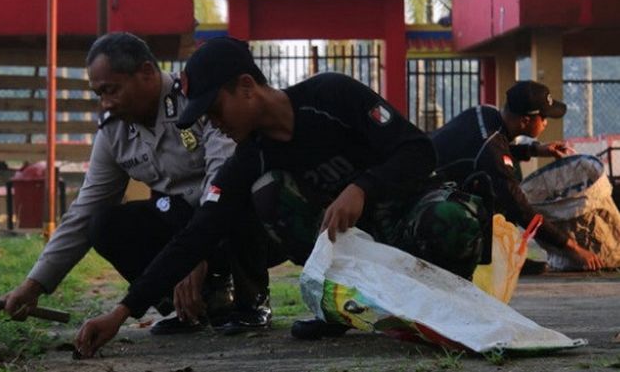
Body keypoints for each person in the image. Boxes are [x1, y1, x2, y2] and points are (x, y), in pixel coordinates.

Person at [72, 36, 485, 356]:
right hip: (358, 250)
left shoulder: (331, 95)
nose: (213, 124)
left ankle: (455, 305)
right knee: (266, 193)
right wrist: (122, 312)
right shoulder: (252, 156)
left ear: (247, 86)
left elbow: (418, 150)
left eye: (214, 111)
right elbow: (196, 235)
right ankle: (339, 307)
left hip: (407, 217)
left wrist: (361, 188)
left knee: (451, 220)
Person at [1, 32, 269, 344]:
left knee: (237, 192)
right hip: (182, 228)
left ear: (145, 72)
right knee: (103, 224)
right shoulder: (114, 132)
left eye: (111, 90)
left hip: (234, 218)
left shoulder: (196, 99)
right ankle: (191, 307)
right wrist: (33, 285)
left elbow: (222, 177)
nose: (106, 103)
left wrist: (198, 250)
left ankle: (251, 301)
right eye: (99, 94)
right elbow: (83, 210)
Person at [430, 80, 604, 271]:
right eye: (544, 117)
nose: (546, 123)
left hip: (437, 178)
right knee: (504, 199)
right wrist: (573, 248)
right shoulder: (492, 150)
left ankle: (507, 255)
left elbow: (489, 150)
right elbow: (521, 210)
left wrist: (536, 150)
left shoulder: (486, 113)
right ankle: (497, 259)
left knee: (501, 188)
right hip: (431, 200)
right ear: (525, 121)